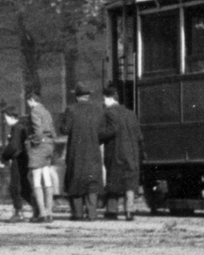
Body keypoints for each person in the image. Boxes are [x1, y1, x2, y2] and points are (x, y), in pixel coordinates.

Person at [58, 84, 105, 220]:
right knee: (92, 182)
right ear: (88, 95)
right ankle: (92, 214)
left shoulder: (71, 110)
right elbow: (102, 131)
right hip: (93, 151)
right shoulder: (97, 110)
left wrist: (62, 120)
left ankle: (77, 214)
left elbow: (65, 129)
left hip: (76, 151)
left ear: (77, 96)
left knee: (76, 180)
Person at [101, 83, 144, 221]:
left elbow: (109, 132)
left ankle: (112, 211)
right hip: (131, 153)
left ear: (108, 98)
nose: (103, 102)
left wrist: (98, 136)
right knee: (129, 183)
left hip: (116, 153)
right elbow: (139, 136)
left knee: (113, 182)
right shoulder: (131, 114)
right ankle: (129, 211)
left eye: (104, 99)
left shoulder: (108, 113)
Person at [24, 88, 58, 223]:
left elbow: (37, 131)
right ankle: (50, 213)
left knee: (36, 180)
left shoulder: (35, 111)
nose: (28, 105)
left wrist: (32, 142)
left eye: (28, 102)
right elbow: (53, 131)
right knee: (47, 179)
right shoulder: (46, 111)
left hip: (39, 147)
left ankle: (42, 214)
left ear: (31, 101)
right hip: (49, 145)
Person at [0, 108, 35, 222]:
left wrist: (4, 157)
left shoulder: (16, 129)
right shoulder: (20, 128)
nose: (4, 121)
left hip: (18, 160)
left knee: (15, 186)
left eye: (5, 118)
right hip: (23, 159)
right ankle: (38, 208)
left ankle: (18, 212)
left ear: (12, 117)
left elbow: (13, 146)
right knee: (24, 187)